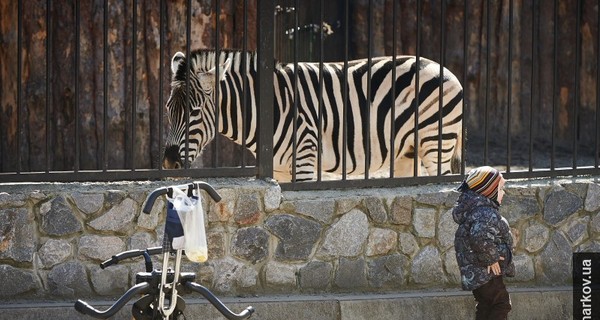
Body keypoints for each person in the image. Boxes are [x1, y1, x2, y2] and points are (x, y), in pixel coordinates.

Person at [452, 166, 515, 320]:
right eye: (500, 189)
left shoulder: (478, 210)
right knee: (501, 304)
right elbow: (479, 237)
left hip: (479, 271)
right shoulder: (484, 212)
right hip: (486, 271)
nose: (503, 192)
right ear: (489, 191)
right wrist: (492, 258)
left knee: (486, 304)